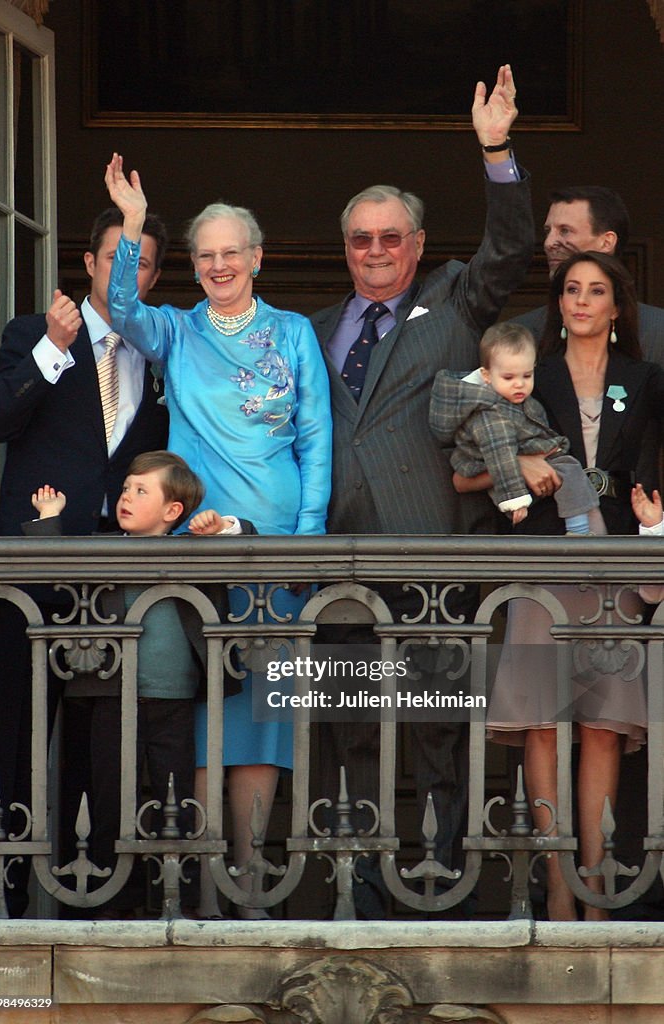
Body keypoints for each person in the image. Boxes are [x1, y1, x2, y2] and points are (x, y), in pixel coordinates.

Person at [308, 65, 535, 916]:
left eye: (389, 237)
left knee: (439, 727)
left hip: (435, 545)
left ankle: (441, 879)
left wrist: (496, 149)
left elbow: (510, 248)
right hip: (340, 555)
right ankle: (358, 878)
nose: (374, 251)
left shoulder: (452, 299)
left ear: (414, 241)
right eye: (360, 240)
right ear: (346, 249)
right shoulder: (318, 330)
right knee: (352, 728)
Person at [103, 153, 332, 915]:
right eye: (205, 255)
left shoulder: (294, 333)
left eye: (232, 251)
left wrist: (304, 544)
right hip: (197, 557)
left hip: (273, 552)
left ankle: (252, 879)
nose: (219, 264)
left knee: (265, 720)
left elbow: (315, 439)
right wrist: (133, 227)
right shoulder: (174, 330)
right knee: (205, 711)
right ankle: (203, 884)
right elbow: (122, 309)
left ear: (257, 258)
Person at [0, 207, 169, 917]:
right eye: (117, 256)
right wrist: (53, 350)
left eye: (142, 263)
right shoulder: (34, 333)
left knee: (105, 738)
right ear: (89, 263)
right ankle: (5, 892)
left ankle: (92, 891)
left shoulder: (157, 350)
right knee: (22, 732)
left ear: (151, 277)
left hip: (121, 574)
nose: (128, 272)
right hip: (34, 567)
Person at [483, 251, 664, 920]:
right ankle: (557, 888)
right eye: (570, 290)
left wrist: (657, 524)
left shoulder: (644, 377)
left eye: (596, 291)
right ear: (557, 303)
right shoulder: (531, 376)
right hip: (543, 557)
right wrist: (519, 459)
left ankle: (595, 893)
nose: (581, 301)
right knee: (541, 723)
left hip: (615, 559)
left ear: (617, 306)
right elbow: (470, 441)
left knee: (601, 728)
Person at [24, 451, 254, 917]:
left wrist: (220, 528)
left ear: (173, 511)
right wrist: (49, 519)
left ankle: (179, 904)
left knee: (177, 805)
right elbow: (53, 568)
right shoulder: (103, 549)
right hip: (111, 698)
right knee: (111, 802)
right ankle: (115, 907)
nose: (127, 497)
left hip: (174, 703)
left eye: (141, 491)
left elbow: (246, 540)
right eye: (126, 488)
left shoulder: (194, 551)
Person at [431, 322, 600, 532]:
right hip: (488, 464)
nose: (519, 384)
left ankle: (580, 528)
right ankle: (579, 530)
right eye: (508, 377)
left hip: (513, 460)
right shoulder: (490, 413)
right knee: (569, 469)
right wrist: (515, 499)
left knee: (569, 469)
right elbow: (499, 454)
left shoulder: (513, 400)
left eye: (527, 376)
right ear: (486, 376)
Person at [515, 186, 664, 364]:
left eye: (564, 230)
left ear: (606, 242)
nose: (548, 243)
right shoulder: (520, 334)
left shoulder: (657, 333)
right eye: (548, 231)